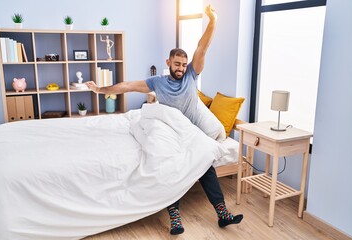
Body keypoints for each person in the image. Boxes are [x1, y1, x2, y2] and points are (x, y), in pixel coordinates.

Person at [86, 4, 243, 235]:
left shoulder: (192, 74)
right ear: (168, 63)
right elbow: (127, 86)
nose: (180, 68)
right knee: (170, 167)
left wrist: (213, 20)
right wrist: (100, 89)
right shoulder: (157, 82)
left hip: (190, 132)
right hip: (168, 131)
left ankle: (222, 214)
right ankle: (175, 217)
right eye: (176, 64)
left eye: (183, 64)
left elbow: (203, 46)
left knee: (206, 163)